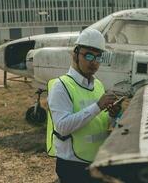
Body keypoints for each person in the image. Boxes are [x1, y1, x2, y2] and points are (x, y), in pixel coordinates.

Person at [46, 28, 120, 183]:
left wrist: (113, 115)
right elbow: (62, 127)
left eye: (98, 57)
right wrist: (98, 106)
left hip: (96, 162)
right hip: (73, 166)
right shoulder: (62, 86)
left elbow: (100, 123)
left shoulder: (98, 85)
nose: (94, 62)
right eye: (88, 55)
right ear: (75, 54)